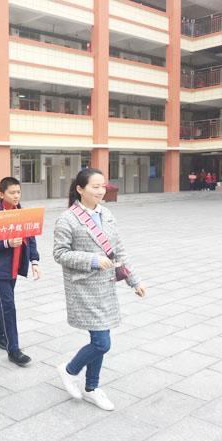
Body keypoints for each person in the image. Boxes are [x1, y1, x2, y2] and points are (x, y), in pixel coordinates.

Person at [53, 168, 145, 411]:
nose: (101, 191)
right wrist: (92, 260)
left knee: (100, 339)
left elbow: (119, 251)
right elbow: (60, 253)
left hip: (105, 287)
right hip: (83, 288)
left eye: (103, 186)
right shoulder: (67, 219)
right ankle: (69, 370)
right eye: (95, 186)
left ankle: (91, 388)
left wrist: (134, 281)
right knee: (102, 343)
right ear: (80, 189)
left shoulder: (107, 214)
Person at [0, 177, 41, 367]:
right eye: (12, 192)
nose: (16, 196)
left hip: (15, 266)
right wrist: (6, 243)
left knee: (3, 302)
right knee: (8, 305)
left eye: (18, 192)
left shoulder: (23, 213)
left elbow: (30, 238)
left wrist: (34, 261)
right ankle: (13, 350)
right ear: (1, 194)